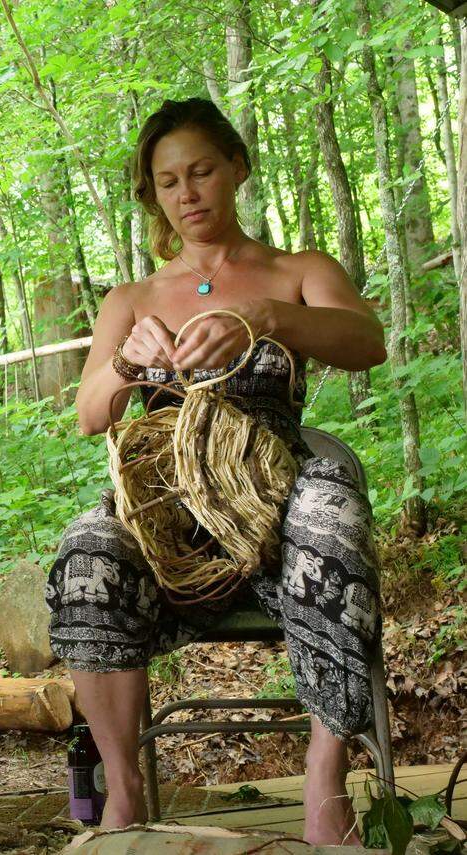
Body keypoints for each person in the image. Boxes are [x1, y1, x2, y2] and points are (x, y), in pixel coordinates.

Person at [44, 97, 387, 847]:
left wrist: (268, 318)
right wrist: (130, 361)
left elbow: (367, 340)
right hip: (170, 517)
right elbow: (91, 414)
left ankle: (324, 781)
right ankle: (126, 790)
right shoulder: (130, 298)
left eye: (202, 171)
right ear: (154, 195)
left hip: (279, 506)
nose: (188, 193)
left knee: (333, 507)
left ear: (237, 166)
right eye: (169, 182)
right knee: (87, 546)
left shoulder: (297, 272)